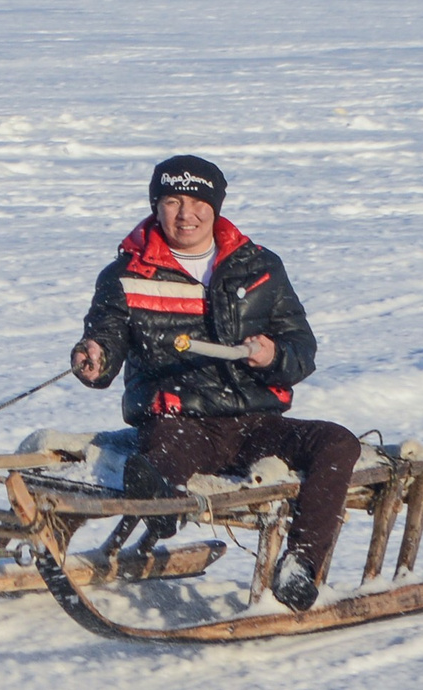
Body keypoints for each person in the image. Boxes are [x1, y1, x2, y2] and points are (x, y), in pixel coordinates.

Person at [70, 154, 359, 611]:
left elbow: (301, 349)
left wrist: (274, 355)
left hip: (256, 421)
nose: (186, 214)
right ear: (155, 205)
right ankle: (160, 505)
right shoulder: (126, 275)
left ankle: (301, 564)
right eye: (171, 201)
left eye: (197, 201)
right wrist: (94, 359)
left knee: (338, 442)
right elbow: (104, 343)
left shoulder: (259, 266)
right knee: (163, 456)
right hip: (179, 419)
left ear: (216, 206)